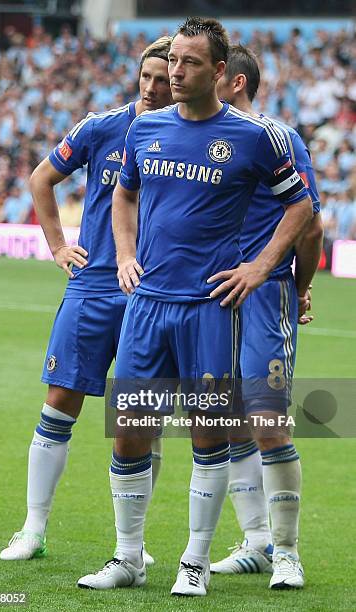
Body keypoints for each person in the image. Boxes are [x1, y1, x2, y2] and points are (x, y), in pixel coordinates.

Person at [77, 18, 312, 597]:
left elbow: (301, 208)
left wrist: (263, 268)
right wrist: (126, 253)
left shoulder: (256, 138)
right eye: (172, 61)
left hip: (209, 307)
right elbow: (124, 192)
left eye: (188, 64)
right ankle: (128, 556)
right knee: (130, 430)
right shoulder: (145, 129)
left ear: (220, 73)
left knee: (215, 432)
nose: (174, 73)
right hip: (148, 305)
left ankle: (197, 561)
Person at [0, 37, 173, 562]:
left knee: (141, 420)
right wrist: (56, 245)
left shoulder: (189, 139)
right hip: (94, 284)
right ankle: (32, 529)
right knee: (59, 403)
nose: (151, 87)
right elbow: (41, 179)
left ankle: (133, 547)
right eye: (145, 76)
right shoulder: (100, 127)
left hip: (155, 292)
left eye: (162, 79)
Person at [208, 45, 323, 589]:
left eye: (210, 71)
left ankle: (287, 551)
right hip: (207, 297)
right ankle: (256, 543)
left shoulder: (278, 138)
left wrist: (294, 289)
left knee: (268, 422)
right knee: (227, 421)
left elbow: (311, 225)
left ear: (233, 82)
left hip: (260, 296)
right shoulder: (196, 135)